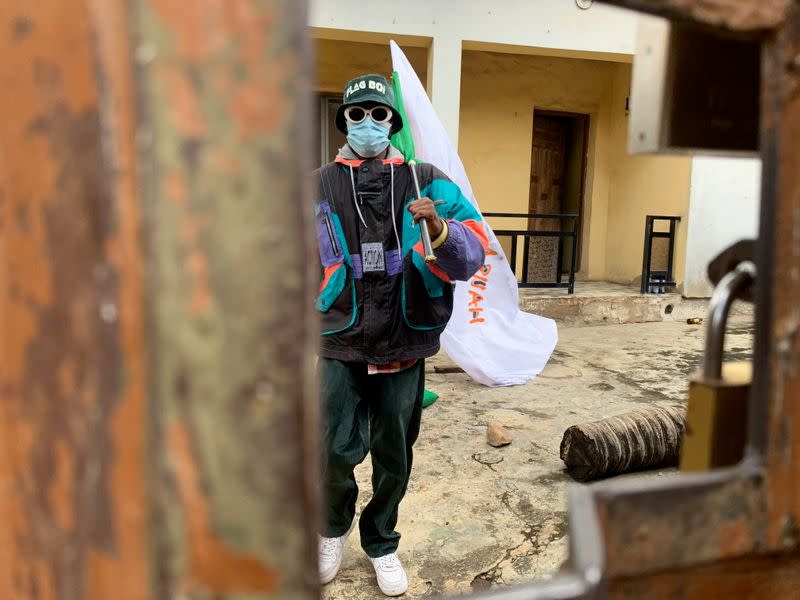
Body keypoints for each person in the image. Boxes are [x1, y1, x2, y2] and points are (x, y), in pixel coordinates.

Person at [314, 73, 487, 596]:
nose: (368, 123)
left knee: (396, 453)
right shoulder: (316, 184)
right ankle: (331, 528)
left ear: (394, 120)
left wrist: (439, 230)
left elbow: (474, 251)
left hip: (404, 335)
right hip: (339, 336)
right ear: (343, 119)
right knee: (329, 448)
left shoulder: (426, 178)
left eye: (379, 113)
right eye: (357, 113)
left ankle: (382, 542)